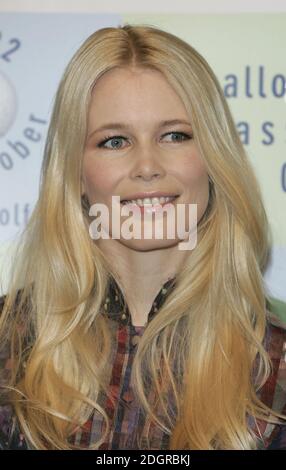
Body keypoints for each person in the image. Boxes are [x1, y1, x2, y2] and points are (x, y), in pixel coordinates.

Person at [0, 23, 285, 450]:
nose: (147, 165)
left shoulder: (274, 358)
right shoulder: (9, 340)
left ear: (213, 158)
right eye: (115, 141)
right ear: (75, 172)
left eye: (175, 135)